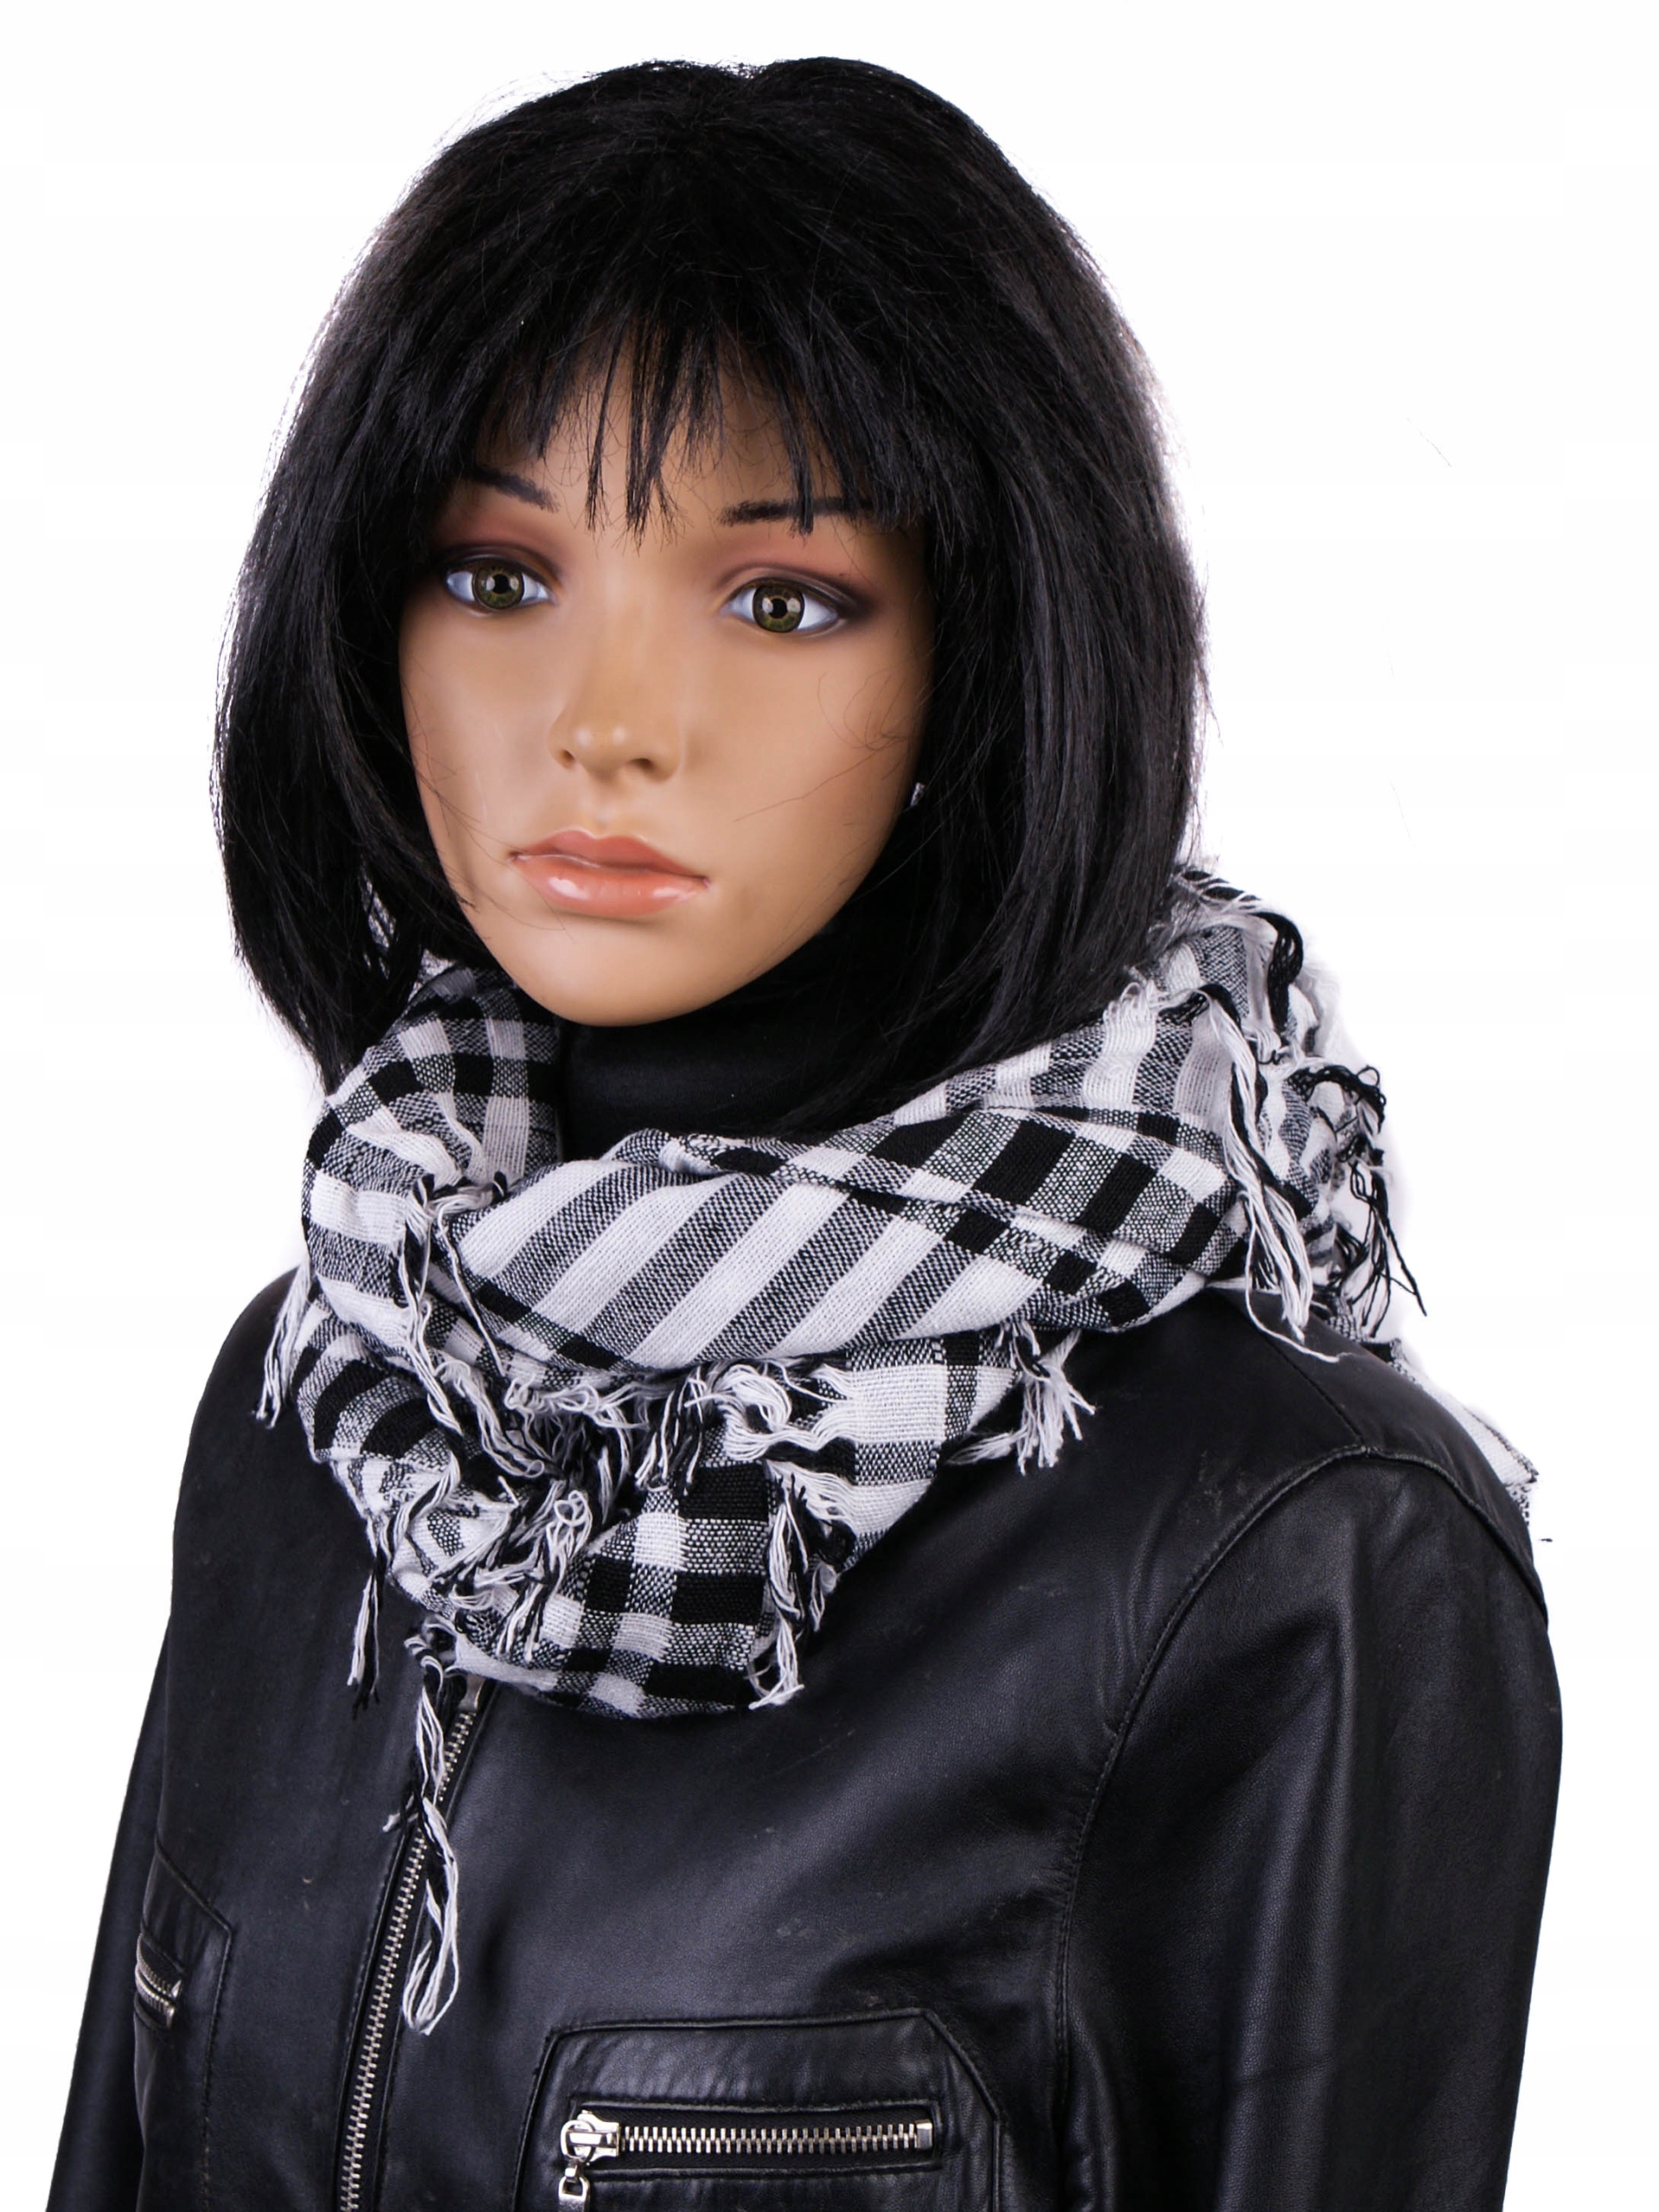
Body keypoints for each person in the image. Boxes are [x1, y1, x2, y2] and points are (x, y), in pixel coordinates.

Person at [48, 57, 1560, 2212]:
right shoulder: (321, 1412)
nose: (605, 723)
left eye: (778, 598)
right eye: (496, 574)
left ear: (979, 650)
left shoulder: (1285, 1544)